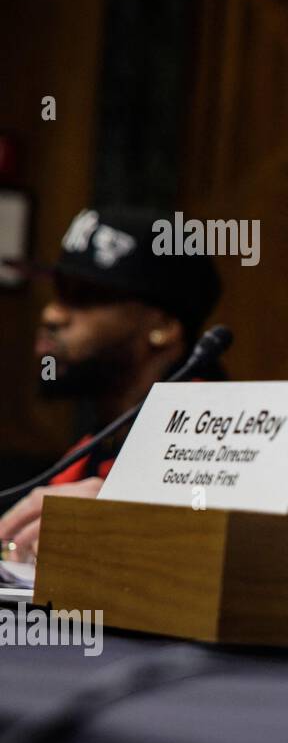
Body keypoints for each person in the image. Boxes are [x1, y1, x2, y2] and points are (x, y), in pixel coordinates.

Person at [0, 206, 223, 559]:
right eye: (57, 292)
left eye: (85, 296)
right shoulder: (97, 441)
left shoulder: (218, 441)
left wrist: (129, 529)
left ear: (162, 326)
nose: (52, 314)